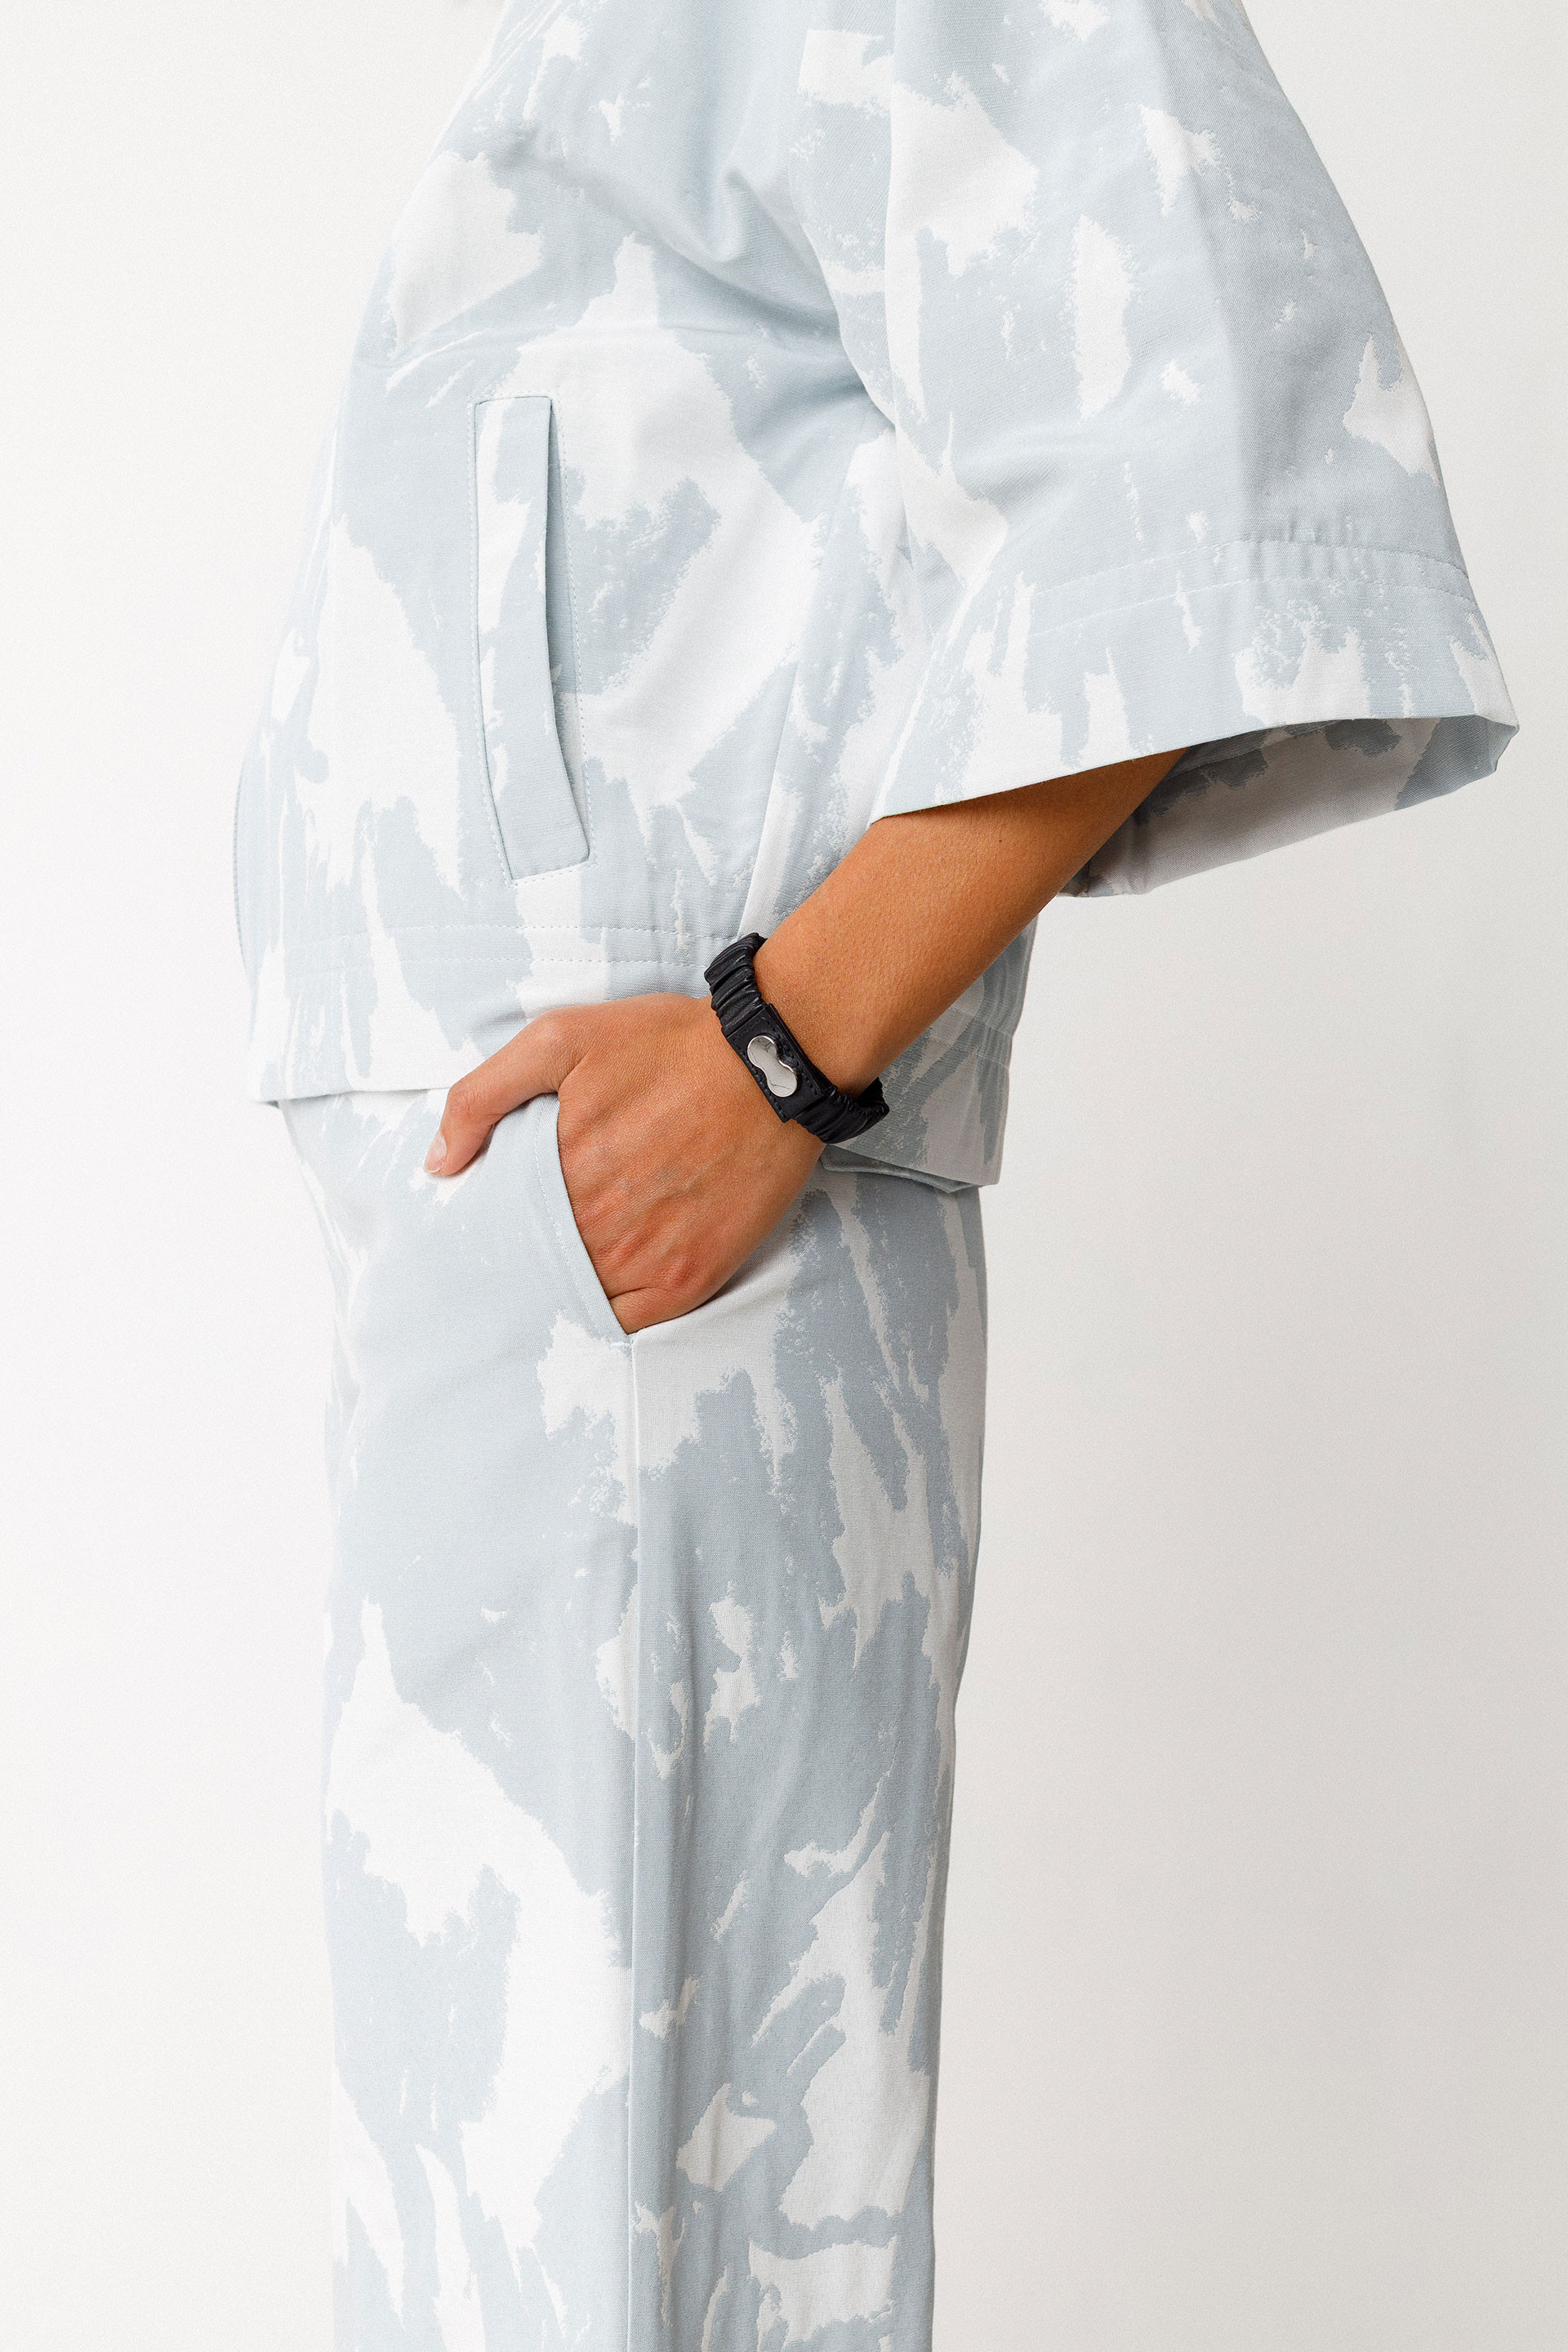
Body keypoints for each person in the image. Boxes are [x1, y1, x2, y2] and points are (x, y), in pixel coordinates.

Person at [234, 2, 1514, 2343]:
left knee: (648, 2247)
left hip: (660, 1249)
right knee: (521, 2253)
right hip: (537, 1249)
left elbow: (1209, 455)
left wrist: (778, 1048)